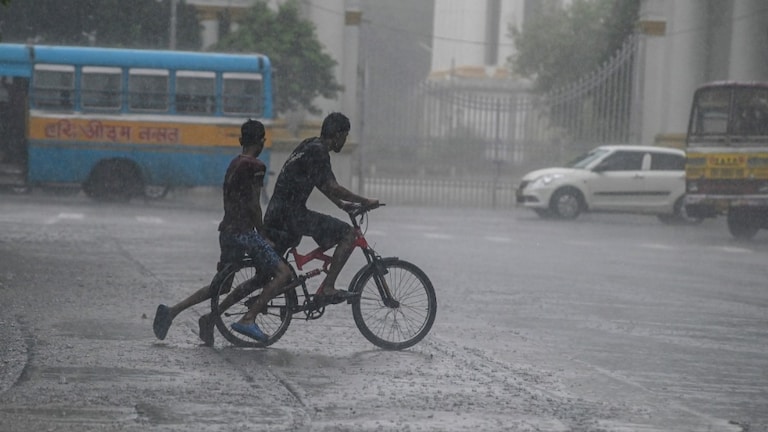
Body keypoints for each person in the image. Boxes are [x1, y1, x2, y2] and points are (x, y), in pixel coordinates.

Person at [153, 119, 292, 345]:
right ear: (261, 141)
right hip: (244, 233)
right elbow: (254, 205)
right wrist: (263, 234)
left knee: (221, 286)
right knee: (283, 273)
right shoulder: (256, 166)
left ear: (240, 140)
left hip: (227, 231)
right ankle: (248, 319)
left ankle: (173, 312)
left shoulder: (235, 163)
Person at [264, 112, 378, 304]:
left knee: (268, 273)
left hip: (277, 213)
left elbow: (320, 183)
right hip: (291, 216)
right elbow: (332, 187)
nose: (345, 140)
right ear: (338, 135)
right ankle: (327, 288)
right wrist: (364, 201)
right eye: (345, 136)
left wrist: (341, 205)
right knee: (348, 234)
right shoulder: (319, 152)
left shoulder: (309, 144)